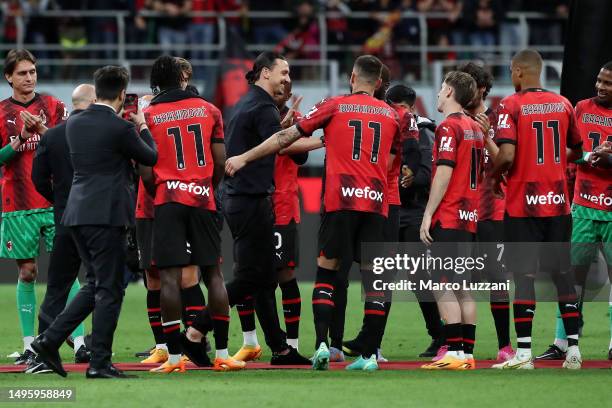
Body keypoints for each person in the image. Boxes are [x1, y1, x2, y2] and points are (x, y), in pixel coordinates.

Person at [225, 54, 401, 372]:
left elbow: (284, 138)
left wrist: (243, 158)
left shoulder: (334, 106)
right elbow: (390, 164)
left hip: (340, 201)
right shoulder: (392, 116)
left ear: (351, 78)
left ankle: (322, 346)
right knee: (374, 280)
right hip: (375, 204)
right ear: (378, 83)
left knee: (327, 273)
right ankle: (371, 356)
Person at [182, 52, 311, 366]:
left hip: (240, 198)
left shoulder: (247, 103)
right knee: (251, 280)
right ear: (265, 73)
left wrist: (287, 132)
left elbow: (273, 139)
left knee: (264, 278)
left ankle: (280, 349)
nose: (288, 79)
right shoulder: (263, 106)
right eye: (283, 72)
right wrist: (326, 139)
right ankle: (194, 333)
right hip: (249, 200)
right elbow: (281, 143)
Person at [31, 65, 158, 379]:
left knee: (97, 285)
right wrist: (142, 125)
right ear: (120, 94)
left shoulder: (73, 125)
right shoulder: (120, 128)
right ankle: (99, 362)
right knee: (111, 289)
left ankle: (48, 341)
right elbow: (150, 157)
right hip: (106, 214)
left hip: (75, 213)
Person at [138, 55, 243, 373]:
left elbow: (145, 170)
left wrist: (164, 192)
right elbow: (220, 159)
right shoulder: (209, 109)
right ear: (181, 79)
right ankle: (222, 354)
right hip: (203, 200)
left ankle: (172, 359)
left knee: (168, 277)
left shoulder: (150, 114)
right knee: (213, 275)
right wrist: (204, 189)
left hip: (168, 199)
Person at [491, 49, 584, 370]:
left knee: (525, 277)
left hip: (523, 206)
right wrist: (555, 164)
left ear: (518, 71)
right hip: (559, 204)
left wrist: (493, 176)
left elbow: (505, 155)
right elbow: (578, 148)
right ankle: (573, 351)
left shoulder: (510, 105)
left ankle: (524, 354)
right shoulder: (563, 104)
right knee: (563, 276)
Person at [341, 67, 421, 363]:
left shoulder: (386, 114)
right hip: (386, 201)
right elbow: (411, 153)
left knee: (361, 274)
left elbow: (409, 153)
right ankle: (370, 343)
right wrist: (408, 169)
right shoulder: (397, 117)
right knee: (378, 276)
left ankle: (367, 343)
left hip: (369, 199)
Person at [536, 61, 612, 362]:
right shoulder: (581, 108)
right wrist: (590, 156)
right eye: (599, 80)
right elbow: (567, 151)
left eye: (607, 83)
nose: (600, 87)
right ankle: (562, 342)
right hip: (582, 208)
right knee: (570, 278)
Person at [135, 59, 209, 365]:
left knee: (188, 277)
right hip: (147, 206)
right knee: (153, 278)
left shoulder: (195, 108)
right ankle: (164, 346)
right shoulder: (148, 114)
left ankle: (195, 344)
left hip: (179, 200)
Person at [0, 49, 68, 366]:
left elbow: (69, 146)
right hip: (18, 201)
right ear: (9, 77)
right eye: (23, 73)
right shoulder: (1, 113)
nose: (29, 77)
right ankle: (30, 345)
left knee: (66, 270)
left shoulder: (53, 106)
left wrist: (43, 132)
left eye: (33, 71)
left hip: (55, 198)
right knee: (28, 273)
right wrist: (20, 138)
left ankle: (80, 341)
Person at [233, 80, 308, 359]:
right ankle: (250, 341)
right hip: (252, 202)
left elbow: (297, 155)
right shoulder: (250, 113)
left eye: (285, 89)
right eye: (278, 86)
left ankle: (293, 345)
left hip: (283, 204)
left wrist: (287, 129)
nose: (281, 92)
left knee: (285, 274)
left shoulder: (295, 120)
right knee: (246, 271)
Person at [27, 84, 97, 374]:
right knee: (102, 283)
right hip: (97, 220)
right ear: (92, 102)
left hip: (65, 218)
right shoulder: (100, 131)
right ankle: (97, 351)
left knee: (57, 287)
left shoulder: (53, 135)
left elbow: (38, 178)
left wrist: (59, 199)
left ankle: (40, 353)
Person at [419, 71, 483, 371]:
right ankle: (467, 353)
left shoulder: (448, 127)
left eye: (442, 88)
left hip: (450, 215)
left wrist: (429, 212)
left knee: (441, 284)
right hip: (470, 216)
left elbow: (444, 171)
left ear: (449, 92)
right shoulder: (475, 128)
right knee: (463, 288)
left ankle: (455, 353)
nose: (438, 93)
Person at [458, 62, 515, 363]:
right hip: (461, 212)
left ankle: (505, 345)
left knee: (496, 281)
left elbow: (505, 162)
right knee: (455, 280)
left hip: (492, 211)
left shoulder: (496, 118)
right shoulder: (454, 120)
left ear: (480, 89)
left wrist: (487, 135)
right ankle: (457, 346)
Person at [384, 84, 444, 359]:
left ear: (404, 106)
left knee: (419, 277)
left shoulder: (424, 130)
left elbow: (430, 174)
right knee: (383, 276)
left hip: (414, 212)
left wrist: (410, 180)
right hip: (391, 208)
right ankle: (372, 342)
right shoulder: (391, 125)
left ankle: (440, 335)